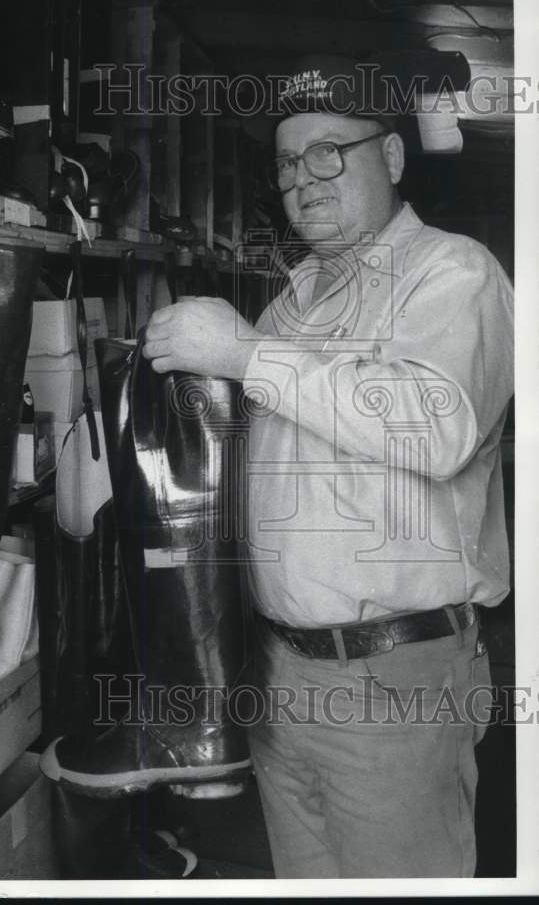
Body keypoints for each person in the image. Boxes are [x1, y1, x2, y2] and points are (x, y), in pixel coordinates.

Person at [142, 54, 514, 878]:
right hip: (280, 676)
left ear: (388, 156)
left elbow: (435, 426)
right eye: (286, 162)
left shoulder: (452, 273)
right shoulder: (296, 296)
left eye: (327, 152)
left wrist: (241, 350)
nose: (302, 179)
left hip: (392, 679)